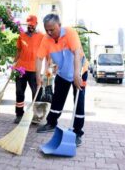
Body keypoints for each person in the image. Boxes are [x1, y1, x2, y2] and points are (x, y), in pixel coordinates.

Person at [35, 13, 88, 146]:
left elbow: (76, 53)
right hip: (63, 73)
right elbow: (39, 58)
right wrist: (38, 77)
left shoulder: (70, 33)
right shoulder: (46, 39)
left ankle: (77, 132)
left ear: (59, 25)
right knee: (57, 99)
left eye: (52, 29)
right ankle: (51, 123)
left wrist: (77, 75)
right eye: (46, 29)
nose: (49, 32)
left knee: (79, 102)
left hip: (79, 70)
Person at [13, 15, 44, 124]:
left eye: (32, 24)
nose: (30, 26)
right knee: (19, 92)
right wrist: (13, 64)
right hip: (20, 68)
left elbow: (45, 52)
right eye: (29, 24)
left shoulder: (41, 36)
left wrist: (45, 70)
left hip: (34, 69)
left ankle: (36, 116)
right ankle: (19, 114)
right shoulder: (21, 35)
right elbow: (18, 51)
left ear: (36, 24)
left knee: (36, 93)